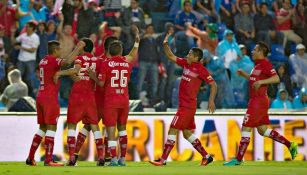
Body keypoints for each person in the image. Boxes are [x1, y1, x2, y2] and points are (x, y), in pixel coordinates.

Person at [224, 42, 298, 166]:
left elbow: (276, 79)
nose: (252, 52)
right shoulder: (257, 65)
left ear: (261, 52)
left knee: (246, 127)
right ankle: (290, 145)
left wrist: (262, 82)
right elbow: (255, 81)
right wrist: (245, 76)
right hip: (258, 100)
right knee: (263, 130)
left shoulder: (265, 64)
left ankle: (238, 159)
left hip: (258, 101)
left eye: (255, 50)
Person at [149, 33, 217, 166]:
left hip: (187, 106)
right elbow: (170, 56)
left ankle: (163, 159)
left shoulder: (201, 69)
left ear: (196, 57)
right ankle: (206, 156)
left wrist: (211, 100)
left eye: (190, 54)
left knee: (172, 129)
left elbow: (213, 84)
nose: (187, 55)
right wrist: (165, 44)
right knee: (186, 133)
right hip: (185, 105)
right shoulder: (186, 63)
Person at [25, 40, 85, 166]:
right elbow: (68, 61)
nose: (61, 51)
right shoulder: (53, 61)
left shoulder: (43, 61)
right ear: (55, 50)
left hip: (40, 97)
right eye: (60, 49)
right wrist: (77, 48)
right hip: (50, 99)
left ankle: (30, 158)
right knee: (52, 127)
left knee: (42, 128)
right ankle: (48, 160)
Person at [88, 27, 140, 166]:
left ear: (109, 51)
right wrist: (136, 42)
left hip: (110, 101)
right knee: (122, 129)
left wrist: (91, 74)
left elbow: (100, 83)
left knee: (111, 130)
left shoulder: (105, 63)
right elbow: (133, 54)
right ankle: (123, 158)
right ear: (121, 51)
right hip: (124, 99)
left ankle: (113, 159)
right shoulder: (126, 62)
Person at [53, 38, 105, 166]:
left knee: (72, 125)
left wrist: (60, 73)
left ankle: (71, 158)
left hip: (77, 95)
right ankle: (102, 157)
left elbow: (76, 70)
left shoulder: (80, 59)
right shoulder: (98, 61)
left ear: (83, 47)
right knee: (94, 126)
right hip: (90, 96)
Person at [73, 36, 118, 163]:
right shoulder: (113, 62)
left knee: (88, 126)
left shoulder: (97, 60)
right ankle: (107, 157)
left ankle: (75, 154)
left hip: (97, 99)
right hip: (107, 100)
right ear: (111, 47)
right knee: (109, 128)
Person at [11, 21, 40, 97]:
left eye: (27, 26)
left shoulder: (35, 37)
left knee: (30, 79)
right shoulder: (23, 35)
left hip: (30, 61)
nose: (26, 28)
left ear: (32, 28)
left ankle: (32, 96)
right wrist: (12, 33)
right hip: (21, 60)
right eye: (26, 26)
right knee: (18, 78)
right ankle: (17, 95)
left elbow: (33, 50)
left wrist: (21, 47)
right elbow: (13, 41)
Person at [137, 24, 160, 106]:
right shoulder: (142, 39)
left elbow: (157, 51)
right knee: (140, 81)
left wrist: (159, 62)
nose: (151, 30)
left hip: (154, 63)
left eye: (152, 29)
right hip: (143, 62)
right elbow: (136, 41)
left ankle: (152, 101)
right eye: (149, 28)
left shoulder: (154, 40)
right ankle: (137, 101)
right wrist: (143, 35)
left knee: (154, 82)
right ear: (146, 30)